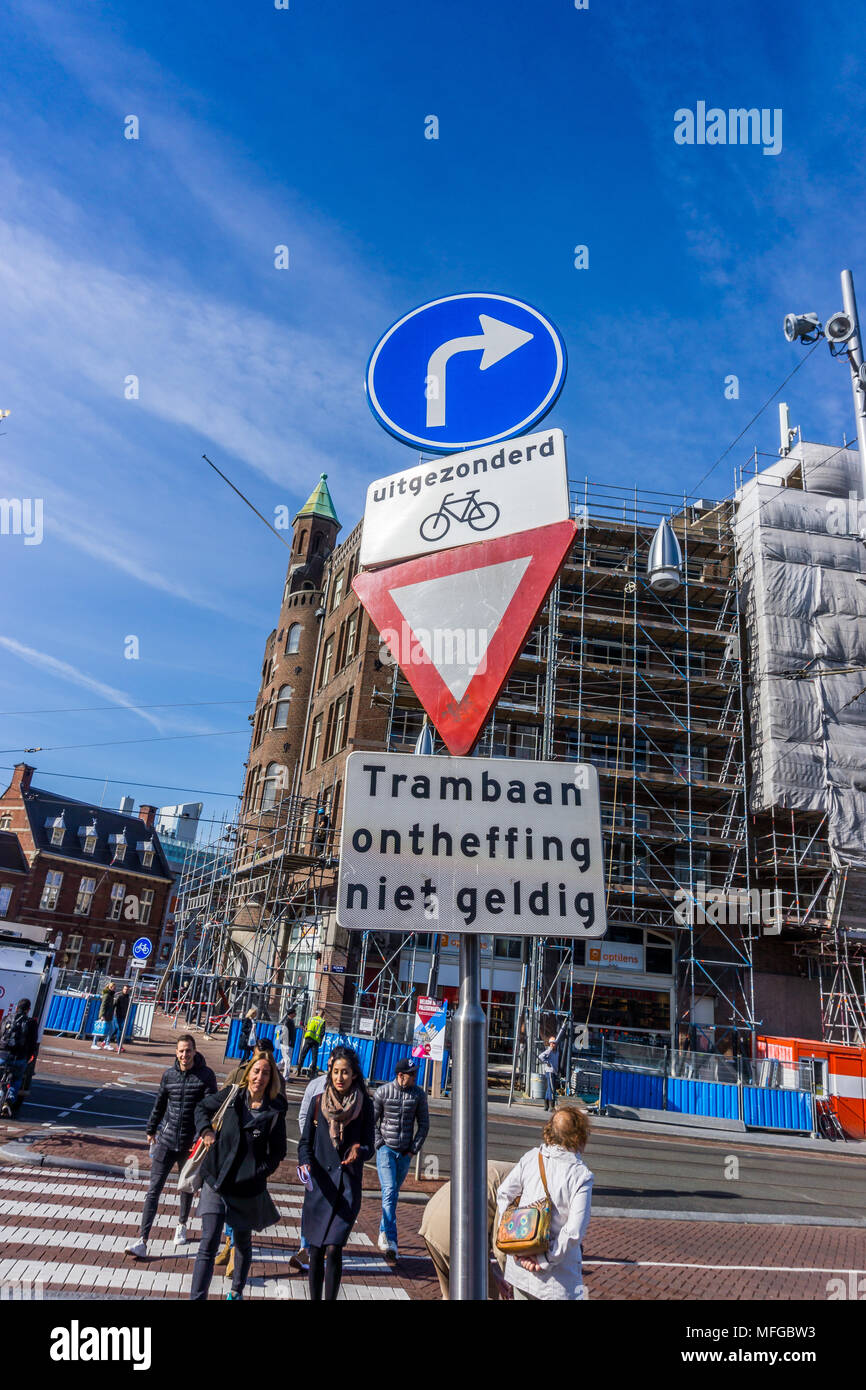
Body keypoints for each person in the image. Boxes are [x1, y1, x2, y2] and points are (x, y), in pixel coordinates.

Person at [189, 1052, 288, 1301]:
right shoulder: (233, 1095)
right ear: (248, 1073)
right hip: (216, 1180)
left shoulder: (274, 1111)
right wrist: (207, 1131)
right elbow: (202, 1108)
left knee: (242, 1242)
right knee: (208, 1242)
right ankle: (197, 1297)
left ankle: (236, 1292)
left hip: (247, 1189)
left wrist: (257, 1172)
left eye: (266, 1073)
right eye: (256, 1071)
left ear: (272, 1078)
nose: (260, 1077)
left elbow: (278, 1152)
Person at [125, 1035, 217, 1257]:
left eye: (188, 1051)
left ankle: (182, 1224)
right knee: (153, 1190)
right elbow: (160, 1103)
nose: (184, 1055)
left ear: (195, 1051)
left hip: (190, 1142)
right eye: (181, 1051)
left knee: (186, 1186)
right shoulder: (169, 1075)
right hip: (166, 1139)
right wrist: (151, 1129)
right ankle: (142, 1240)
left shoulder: (205, 1076)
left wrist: (202, 1134)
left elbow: (210, 1108)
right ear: (176, 1053)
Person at [297, 1045, 374, 1300]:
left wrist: (358, 1150)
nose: (340, 1077)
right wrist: (306, 1163)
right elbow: (304, 1143)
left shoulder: (364, 1105)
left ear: (354, 1075)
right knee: (316, 1250)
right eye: (336, 1072)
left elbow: (370, 1145)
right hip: (320, 1188)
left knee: (334, 1247)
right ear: (330, 1073)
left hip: (346, 1188)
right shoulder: (319, 1103)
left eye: (346, 1072)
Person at [495, 1106, 593, 1301]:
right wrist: (545, 1259)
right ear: (579, 1136)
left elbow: (503, 1193)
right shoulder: (580, 1175)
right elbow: (573, 1232)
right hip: (557, 1280)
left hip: (520, 1270)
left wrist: (514, 1241)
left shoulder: (532, 1157)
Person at [419, 1160, 515, 1300]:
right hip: (458, 1230)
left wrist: (495, 1274)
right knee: (487, 1294)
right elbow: (501, 1245)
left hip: (431, 1219)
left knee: (450, 1295)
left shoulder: (507, 1169)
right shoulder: (519, 1185)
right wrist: (513, 1281)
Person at [373, 1058, 430, 1262]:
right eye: (412, 1074)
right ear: (400, 1075)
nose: (415, 1077)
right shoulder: (383, 1092)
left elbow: (424, 1124)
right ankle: (392, 1242)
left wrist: (413, 1150)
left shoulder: (418, 1095)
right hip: (386, 1150)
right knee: (388, 1191)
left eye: (415, 1073)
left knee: (393, 1195)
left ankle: (383, 1231)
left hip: (405, 1153)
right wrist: (379, 1143)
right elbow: (371, 1121)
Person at [287, 1068, 328, 1273]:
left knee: (330, 1206)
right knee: (311, 1203)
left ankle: (323, 1249)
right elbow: (303, 1115)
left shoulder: (356, 1094)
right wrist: (309, 1139)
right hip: (315, 1154)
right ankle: (305, 1247)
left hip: (338, 1163)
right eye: (332, 1067)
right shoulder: (316, 1087)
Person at [0, 998, 39, 1116]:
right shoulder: (31, 1022)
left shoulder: (7, 1018)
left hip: (3, 1054)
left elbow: (1, 1034)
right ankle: (9, 1101)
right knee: (17, 1079)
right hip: (19, 1057)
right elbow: (33, 1042)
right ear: (28, 1010)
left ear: (16, 1008)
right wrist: (30, 1056)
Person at [296, 1010, 325, 1077]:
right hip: (315, 1041)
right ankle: (312, 1073)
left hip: (308, 1039)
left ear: (317, 1013)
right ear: (323, 1015)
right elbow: (322, 1033)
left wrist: (306, 1030)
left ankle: (298, 1070)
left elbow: (306, 1027)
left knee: (303, 1055)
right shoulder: (322, 1021)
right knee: (314, 1057)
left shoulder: (311, 1019)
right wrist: (320, 1041)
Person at [92, 981, 116, 1050]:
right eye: (114, 987)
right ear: (110, 987)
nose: (115, 989)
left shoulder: (111, 995)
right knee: (99, 1029)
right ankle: (94, 1044)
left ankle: (106, 1044)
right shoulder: (107, 995)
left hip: (109, 1015)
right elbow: (103, 1006)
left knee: (110, 1030)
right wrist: (102, 1015)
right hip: (105, 1015)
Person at [539, 1035, 560, 1112]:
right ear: (550, 1044)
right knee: (552, 1089)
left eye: (555, 1043)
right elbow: (541, 1056)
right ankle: (552, 1106)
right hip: (550, 1072)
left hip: (554, 1072)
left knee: (549, 1089)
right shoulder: (549, 1051)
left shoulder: (557, 1052)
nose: (554, 1045)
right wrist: (546, 1062)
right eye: (552, 1043)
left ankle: (546, 1105)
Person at [279, 1007, 297, 1080]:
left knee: (284, 1060)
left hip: (288, 1043)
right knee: (288, 1060)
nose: (296, 1014)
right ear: (291, 1014)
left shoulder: (290, 1021)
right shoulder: (288, 1022)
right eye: (294, 1012)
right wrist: (287, 1042)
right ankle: (285, 1077)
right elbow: (285, 1032)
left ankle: (275, 1069)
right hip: (286, 1044)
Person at [114, 985, 131, 1050]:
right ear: (123, 989)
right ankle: (119, 1046)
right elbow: (114, 1005)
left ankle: (105, 1041)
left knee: (116, 1030)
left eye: (127, 989)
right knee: (120, 1030)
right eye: (125, 989)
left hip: (124, 1016)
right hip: (117, 1016)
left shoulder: (128, 997)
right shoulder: (119, 996)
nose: (126, 991)